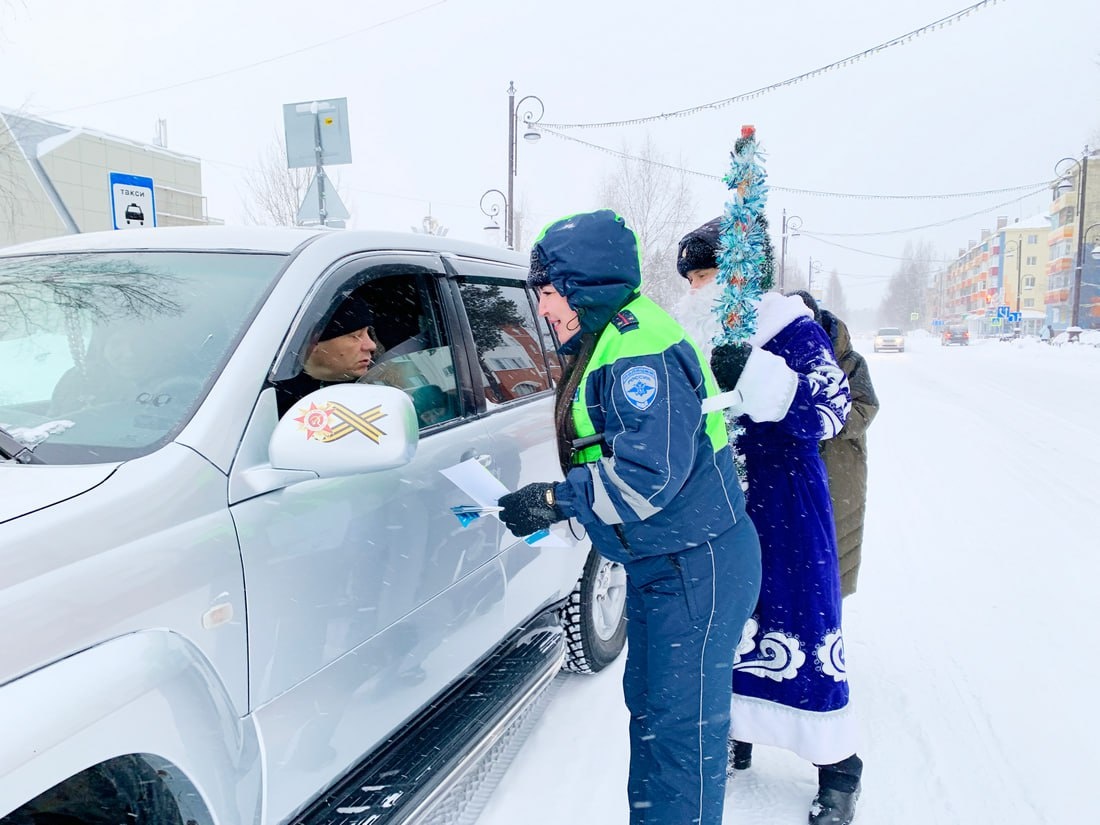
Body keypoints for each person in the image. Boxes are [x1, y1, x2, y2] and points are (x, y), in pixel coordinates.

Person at [496, 210, 762, 825]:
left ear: (581, 284)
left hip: (696, 567)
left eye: (547, 291)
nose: (541, 309)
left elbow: (650, 477)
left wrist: (555, 500)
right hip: (667, 561)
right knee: (653, 712)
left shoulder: (637, 349)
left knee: (679, 739)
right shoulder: (612, 336)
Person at [674, 218, 862, 825]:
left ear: (736, 275)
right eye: (691, 277)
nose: (696, 286)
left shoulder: (794, 329)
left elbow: (833, 410)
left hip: (788, 503)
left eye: (705, 274)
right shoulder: (697, 331)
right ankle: (739, 733)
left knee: (802, 620)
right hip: (724, 502)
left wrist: (759, 377)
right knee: (730, 619)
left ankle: (839, 767)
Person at [792, 291, 880, 598]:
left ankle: (829, 618)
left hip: (839, 470)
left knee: (837, 544)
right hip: (794, 468)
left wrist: (821, 418)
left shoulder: (849, 361)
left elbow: (865, 407)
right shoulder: (780, 357)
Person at [273, 295, 380, 417]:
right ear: (312, 344)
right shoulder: (270, 403)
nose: (371, 345)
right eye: (355, 336)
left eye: (368, 333)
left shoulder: (383, 385)